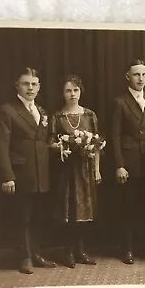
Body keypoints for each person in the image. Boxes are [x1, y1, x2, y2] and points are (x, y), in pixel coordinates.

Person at [0, 67, 56, 274]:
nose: (30, 88)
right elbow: (1, 145)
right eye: (26, 84)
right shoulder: (8, 110)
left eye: (34, 84)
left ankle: (36, 253)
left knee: (38, 215)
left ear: (39, 87)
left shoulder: (43, 111)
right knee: (22, 217)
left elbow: (43, 141)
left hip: (42, 173)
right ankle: (24, 257)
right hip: (21, 173)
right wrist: (8, 176)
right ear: (17, 86)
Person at [50, 75, 102, 268]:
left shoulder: (89, 115)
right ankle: (68, 251)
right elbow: (51, 143)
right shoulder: (58, 117)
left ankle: (81, 250)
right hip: (67, 170)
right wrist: (63, 145)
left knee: (85, 212)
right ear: (63, 93)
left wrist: (96, 170)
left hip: (86, 169)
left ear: (81, 92)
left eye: (76, 90)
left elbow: (97, 144)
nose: (72, 94)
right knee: (69, 211)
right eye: (68, 90)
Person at [111, 59, 145, 264]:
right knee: (127, 206)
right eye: (137, 74)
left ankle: (142, 245)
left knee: (144, 205)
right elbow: (115, 136)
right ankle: (127, 248)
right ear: (128, 77)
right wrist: (119, 164)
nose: (141, 78)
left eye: (144, 75)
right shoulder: (119, 102)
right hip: (129, 162)